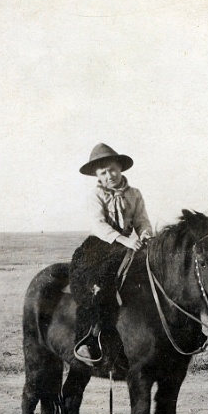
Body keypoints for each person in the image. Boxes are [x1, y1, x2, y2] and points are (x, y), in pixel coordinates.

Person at [69, 143, 154, 366]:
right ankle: (91, 338)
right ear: (97, 176)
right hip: (101, 246)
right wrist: (124, 240)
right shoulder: (96, 195)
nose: (110, 175)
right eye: (103, 172)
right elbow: (98, 225)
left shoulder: (134, 194)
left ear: (120, 168)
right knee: (99, 286)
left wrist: (144, 235)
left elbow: (142, 220)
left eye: (112, 169)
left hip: (130, 244)